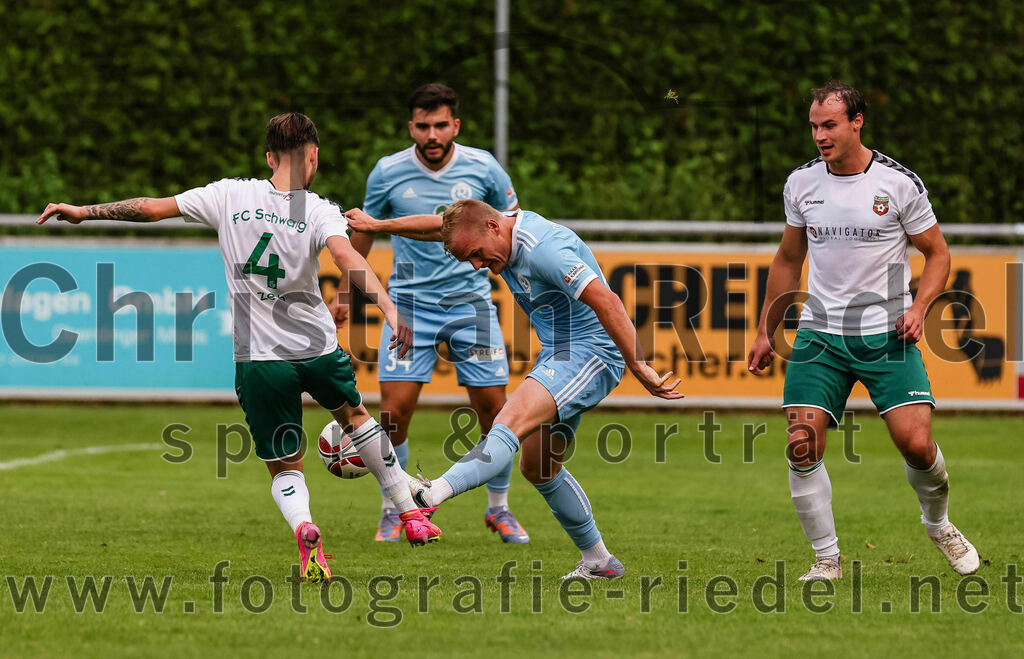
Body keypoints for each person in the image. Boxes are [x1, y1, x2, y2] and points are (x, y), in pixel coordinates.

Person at [35, 112, 442, 583]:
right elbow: (349, 255)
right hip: (316, 346)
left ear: (269, 157)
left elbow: (149, 208)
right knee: (354, 417)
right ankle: (409, 512)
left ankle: (305, 526)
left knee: (285, 463)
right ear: (313, 157)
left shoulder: (227, 194)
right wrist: (389, 310)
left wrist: (84, 211)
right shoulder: (317, 208)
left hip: (259, 357)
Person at [346, 200, 683, 579]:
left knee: (508, 420)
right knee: (539, 467)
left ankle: (429, 495)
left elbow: (607, 300)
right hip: (559, 352)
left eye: (475, 255)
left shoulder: (543, 250)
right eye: (468, 260)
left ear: (492, 227)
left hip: (591, 351)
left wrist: (638, 363)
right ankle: (600, 562)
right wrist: (378, 226)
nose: (476, 266)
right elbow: (438, 226)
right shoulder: (494, 232)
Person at [747, 81, 979, 581]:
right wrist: (767, 331)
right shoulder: (801, 184)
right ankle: (826, 559)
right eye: (813, 126)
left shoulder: (898, 184)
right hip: (821, 334)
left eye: (829, 125)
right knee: (802, 441)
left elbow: (938, 253)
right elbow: (789, 259)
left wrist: (920, 308)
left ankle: (938, 524)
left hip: (886, 335)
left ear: (857, 122)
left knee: (916, 445)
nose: (820, 136)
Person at [344, 83, 529, 543]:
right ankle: (397, 508)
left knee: (495, 412)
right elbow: (363, 235)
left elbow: (511, 228)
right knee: (393, 414)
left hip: (470, 304)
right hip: (408, 305)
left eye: (440, 125)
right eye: (423, 126)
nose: (432, 133)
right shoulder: (387, 172)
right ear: (411, 127)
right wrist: (349, 296)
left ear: (455, 126)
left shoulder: (483, 166)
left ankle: (499, 509)